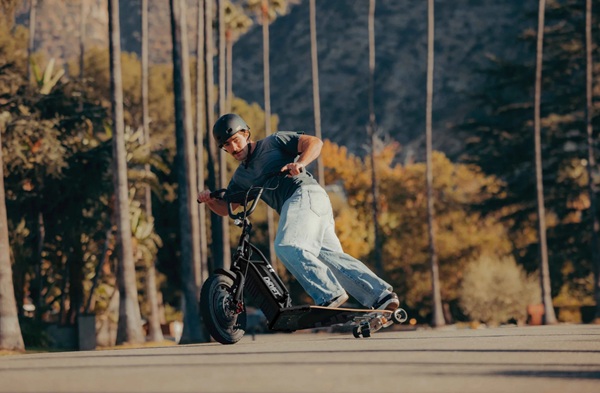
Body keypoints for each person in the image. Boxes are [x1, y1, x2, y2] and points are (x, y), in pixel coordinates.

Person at [197, 113, 399, 311]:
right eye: (227, 145)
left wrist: (300, 163)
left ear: (246, 133)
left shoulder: (273, 142)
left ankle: (329, 294)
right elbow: (227, 208)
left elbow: (314, 142)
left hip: (304, 195)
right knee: (330, 257)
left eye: (235, 140)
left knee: (287, 245)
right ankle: (381, 295)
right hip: (306, 208)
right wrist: (209, 201)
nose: (233, 148)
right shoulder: (241, 177)